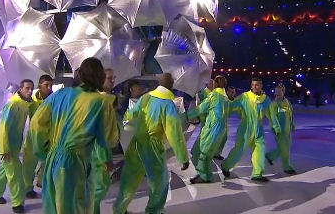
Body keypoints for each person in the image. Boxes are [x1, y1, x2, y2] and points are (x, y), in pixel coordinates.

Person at [29, 58, 119, 214]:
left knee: (53, 207)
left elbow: (36, 124)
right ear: (100, 77)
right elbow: (109, 140)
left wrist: (43, 152)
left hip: (52, 160)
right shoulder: (101, 102)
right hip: (74, 164)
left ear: (81, 75)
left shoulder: (59, 94)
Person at [113, 73, 190, 214]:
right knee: (159, 183)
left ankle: (119, 208)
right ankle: (154, 211)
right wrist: (183, 157)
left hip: (136, 145)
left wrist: (125, 122)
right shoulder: (168, 105)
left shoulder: (145, 97)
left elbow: (131, 113)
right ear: (171, 86)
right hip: (153, 149)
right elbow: (175, 134)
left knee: (129, 179)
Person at [0, 79, 34, 214]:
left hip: (12, 145)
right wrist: (4, 150)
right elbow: (2, 129)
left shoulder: (24, 104)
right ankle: (17, 203)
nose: (29, 91)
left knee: (4, 171)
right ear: (20, 89)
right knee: (15, 173)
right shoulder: (13, 105)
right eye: (27, 88)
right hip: (6, 146)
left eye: (31, 88)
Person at [221, 78, 280, 183]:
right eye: (253, 85)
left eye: (257, 85)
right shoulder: (245, 97)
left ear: (261, 86)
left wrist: (275, 127)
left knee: (260, 151)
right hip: (245, 129)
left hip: (258, 129)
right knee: (239, 151)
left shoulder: (265, 100)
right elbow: (232, 106)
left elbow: (272, 115)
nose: (254, 87)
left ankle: (257, 174)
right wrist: (229, 98)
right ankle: (225, 165)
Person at [186, 75, 231, 184]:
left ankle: (204, 176)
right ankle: (205, 174)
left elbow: (201, 108)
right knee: (207, 152)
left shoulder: (214, 96)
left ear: (216, 84)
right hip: (221, 129)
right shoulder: (226, 98)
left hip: (212, 128)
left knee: (204, 153)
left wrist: (188, 115)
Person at [91, 69, 121, 214]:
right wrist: (105, 158)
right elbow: (98, 132)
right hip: (97, 153)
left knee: (98, 187)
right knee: (99, 187)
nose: (113, 81)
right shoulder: (102, 102)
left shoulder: (106, 100)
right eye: (109, 78)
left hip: (101, 151)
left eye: (113, 78)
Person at [22, 75, 54, 199]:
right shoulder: (31, 100)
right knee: (28, 165)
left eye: (50, 85)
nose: (49, 88)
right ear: (40, 86)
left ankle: (42, 182)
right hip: (32, 137)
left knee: (48, 161)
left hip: (47, 135)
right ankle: (27, 188)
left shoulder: (54, 98)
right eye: (46, 85)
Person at [265, 83, 297, 175]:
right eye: (276, 92)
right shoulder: (274, 105)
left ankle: (270, 156)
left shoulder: (287, 102)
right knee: (285, 149)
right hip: (279, 131)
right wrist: (275, 129)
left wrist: (292, 124)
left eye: (279, 91)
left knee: (282, 148)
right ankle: (287, 167)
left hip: (287, 130)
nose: (277, 94)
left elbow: (290, 114)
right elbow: (272, 118)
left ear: (283, 92)